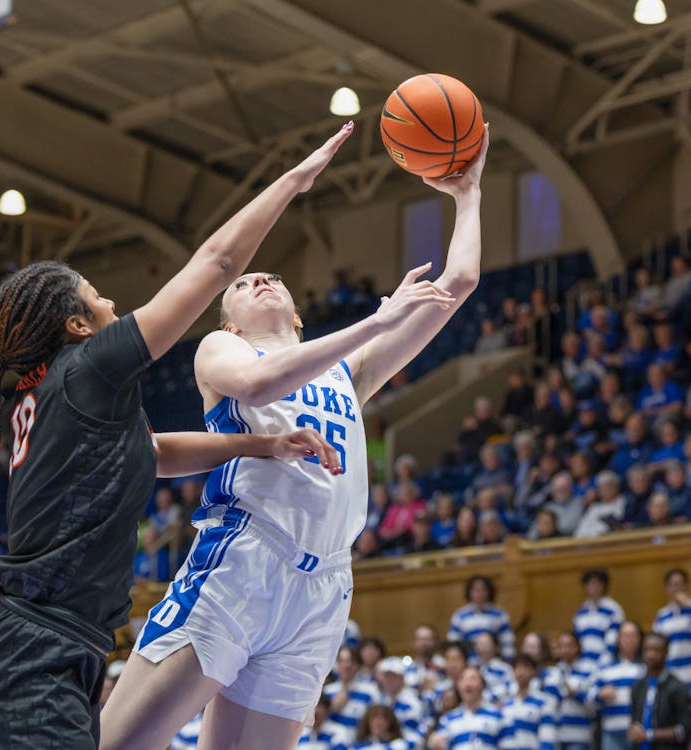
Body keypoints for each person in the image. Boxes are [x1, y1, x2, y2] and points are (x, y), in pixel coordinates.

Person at [0, 125, 355, 750]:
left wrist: (257, 444)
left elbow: (153, 455)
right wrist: (295, 180)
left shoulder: (56, 395)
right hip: (32, 661)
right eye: (100, 301)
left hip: (43, 656)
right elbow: (217, 263)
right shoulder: (90, 368)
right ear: (77, 326)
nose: (113, 306)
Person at [104, 128, 490, 750]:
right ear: (229, 317)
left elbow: (459, 282)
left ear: (299, 314)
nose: (260, 279)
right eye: (244, 282)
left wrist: (467, 194)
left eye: (272, 277)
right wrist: (378, 318)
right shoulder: (222, 347)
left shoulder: (347, 370)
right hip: (243, 560)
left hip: (324, 588)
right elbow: (257, 386)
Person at [651, 569, 691, 750]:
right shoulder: (662, 615)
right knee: (675, 727)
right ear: (667, 589)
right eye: (672, 585)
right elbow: (657, 647)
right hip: (672, 681)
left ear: (687, 586)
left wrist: (689, 606)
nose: (677, 589)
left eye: (680, 584)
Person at [628, 633, 691, 750]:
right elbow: (636, 724)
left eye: (656, 650)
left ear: (666, 652)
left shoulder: (678, 688)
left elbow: (685, 731)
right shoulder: (638, 687)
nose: (650, 655)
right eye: (647, 650)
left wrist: (649, 735)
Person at [588, 621, 646, 750]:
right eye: (624, 636)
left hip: (640, 731)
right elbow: (589, 698)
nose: (628, 640)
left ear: (640, 639)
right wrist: (600, 694)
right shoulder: (605, 668)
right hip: (611, 730)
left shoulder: (646, 668)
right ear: (618, 639)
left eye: (633, 636)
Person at [427, 667, 508, 750]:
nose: (468, 684)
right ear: (458, 686)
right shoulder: (448, 719)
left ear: (483, 685)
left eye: (473, 679)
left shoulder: (497, 715)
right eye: (463, 679)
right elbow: (436, 743)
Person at [319, 647, 383, 747]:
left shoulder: (370, 691)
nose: (346, 665)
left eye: (350, 661)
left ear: (358, 665)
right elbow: (316, 723)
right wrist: (331, 708)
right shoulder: (327, 692)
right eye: (342, 661)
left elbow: (379, 720)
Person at [543, 631, 596, 750]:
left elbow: (595, 705)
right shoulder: (552, 674)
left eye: (569, 646)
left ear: (578, 647)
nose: (565, 650)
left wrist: (577, 694)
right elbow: (548, 704)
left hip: (580, 736)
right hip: (556, 735)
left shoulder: (589, 671)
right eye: (562, 646)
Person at [447, 575, 514, 660]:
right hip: (468, 665)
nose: (479, 593)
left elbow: (507, 642)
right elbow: (453, 643)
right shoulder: (460, 615)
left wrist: (508, 661)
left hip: (493, 663)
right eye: (475, 590)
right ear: (469, 592)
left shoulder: (499, 614)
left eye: (483, 590)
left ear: (489, 591)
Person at [501, 655, 555, 750]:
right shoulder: (505, 702)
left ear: (534, 671)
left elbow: (548, 735)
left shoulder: (543, 701)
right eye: (517, 667)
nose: (520, 671)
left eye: (525, 667)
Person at [573, 569, 625, 666]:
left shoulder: (613, 610)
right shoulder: (581, 611)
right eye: (590, 584)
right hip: (583, 662)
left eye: (597, 584)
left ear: (604, 585)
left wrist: (603, 663)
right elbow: (576, 639)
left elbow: (613, 640)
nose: (593, 588)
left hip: (605, 662)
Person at [374, 657, 427, 750]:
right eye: (386, 676)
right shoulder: (381, 700)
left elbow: (414, 735)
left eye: (393, 676)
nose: (389, 680)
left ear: (402, 678)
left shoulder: (412, 702)